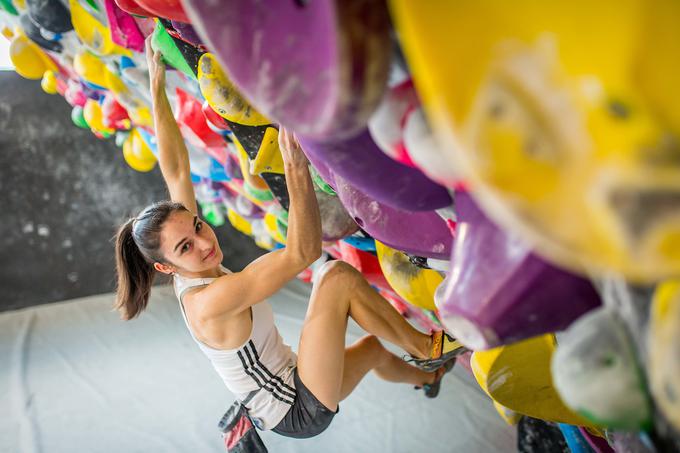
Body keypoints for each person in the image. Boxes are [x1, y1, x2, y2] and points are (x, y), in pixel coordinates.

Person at [113, 36, 463, 439]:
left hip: (294, 385)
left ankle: (428, 377)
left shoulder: (183, 265)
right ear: (164, 266)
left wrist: (156, 87)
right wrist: (296, 172)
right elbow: (304, 252)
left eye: (197, 226)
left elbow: (175, 170)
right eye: (186, 247)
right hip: (295, 408)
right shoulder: (207, 302)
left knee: (371, 350)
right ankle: (424, 349)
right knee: (336, 279)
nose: (204, 243)